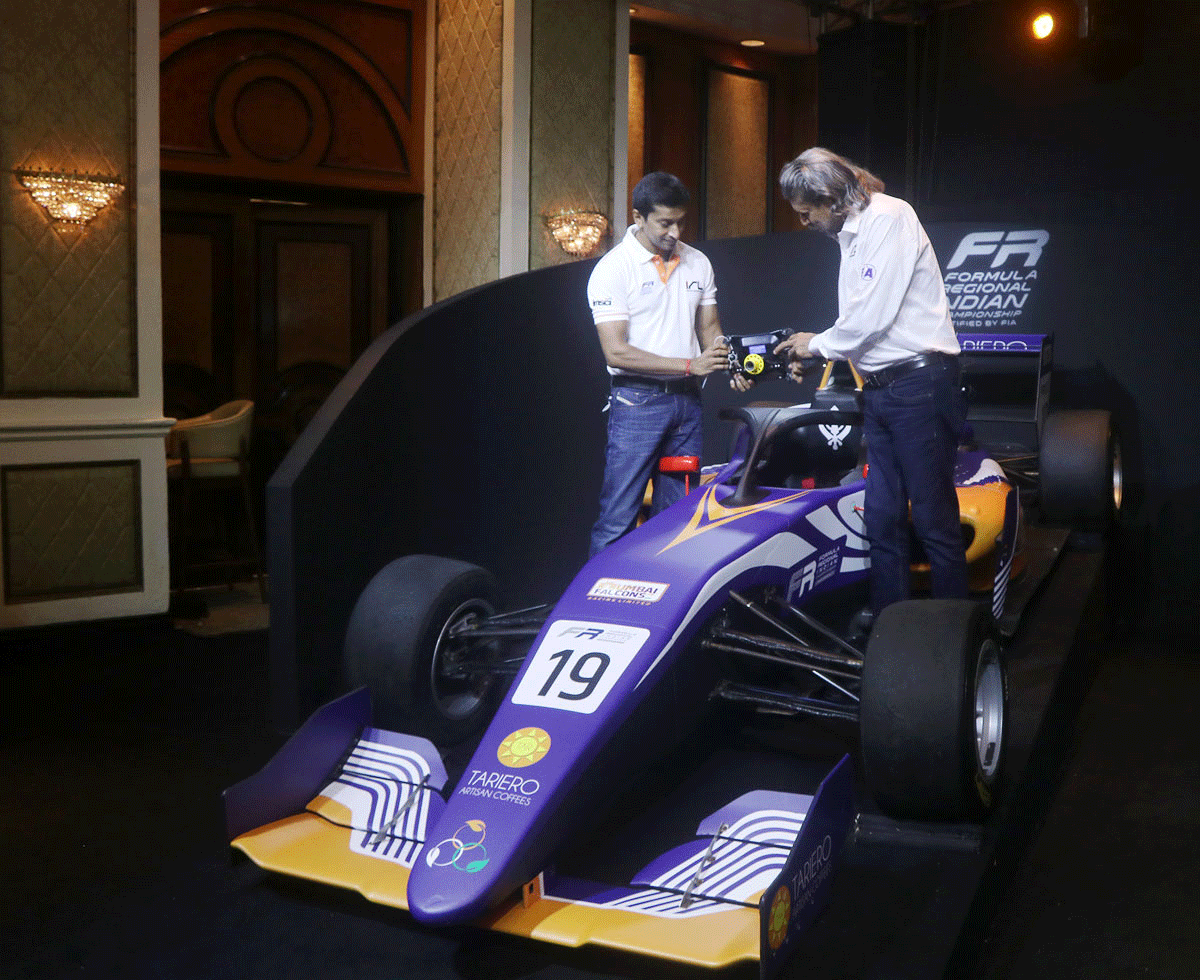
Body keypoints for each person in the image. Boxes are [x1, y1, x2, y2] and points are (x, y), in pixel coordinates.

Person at [773, 147, 967, 617]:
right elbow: (861, 328)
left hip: (920, 386)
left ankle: (953, 637)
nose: (803, 222)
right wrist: (815, 350)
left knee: (935, 521)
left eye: (806, 212)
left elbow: (871, 320)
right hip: (881, 390)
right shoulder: (849, 232)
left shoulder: (889, 218)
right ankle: (891, 632)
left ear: (833, 198)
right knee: (882, 519)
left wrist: (813, 344)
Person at [586, 171, 750, 556]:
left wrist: (733, 363)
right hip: (637, 405)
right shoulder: (613, 268)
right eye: (664, 223)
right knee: (618, 518)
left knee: (679, 516)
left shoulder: (698, 263)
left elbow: (710, 329)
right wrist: (691, 365)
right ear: (638, 217)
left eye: (681, 222)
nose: (675, 232)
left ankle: (664, 609)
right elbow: (616, 352)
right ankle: (602, 610)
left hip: (687, 406)